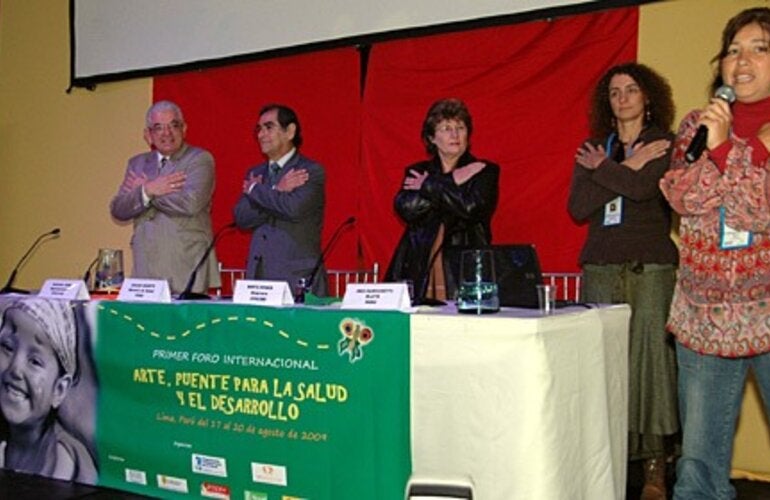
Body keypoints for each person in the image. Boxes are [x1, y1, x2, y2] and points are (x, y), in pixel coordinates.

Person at [659, 8, 770, 499]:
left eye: (759, 48)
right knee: (697, 472)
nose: (742, 61)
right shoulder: (697, 124)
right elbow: (683, 196)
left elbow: (758, 210)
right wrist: (743, 153)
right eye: (733, 49)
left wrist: (727, 155)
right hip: (704, 316)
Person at [568, 63, 678, 499]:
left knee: (651, 363)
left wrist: (610, 171)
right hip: (600, 268)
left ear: (647, 97)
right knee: (601, 366)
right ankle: (606, 458)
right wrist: (626, 165)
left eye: (631, 90)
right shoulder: (596, 147)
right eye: (614, 92)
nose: (623, 98)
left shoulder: (665, 144)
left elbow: (645, 190)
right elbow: (579, 206)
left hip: (649, 268)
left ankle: (655, 466)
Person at [385, 98, 500, 303]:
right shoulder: (417, 171)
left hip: (465, 269)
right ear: (432, 138)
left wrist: (429, 186)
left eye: (460, 127)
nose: (455, 134)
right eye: (446, 128)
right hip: (419, 266)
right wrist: (452, 181)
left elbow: (470, 208)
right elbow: (407, 208)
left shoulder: (484, 171)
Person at [110, 100, 220, 295]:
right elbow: (118, 209)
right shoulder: (137, 163)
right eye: (158, 127)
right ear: (148, 135)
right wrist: (148, 190)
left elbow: (190, 204)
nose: (166, 133)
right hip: (145, 271)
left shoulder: (199, 159)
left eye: (173, 125)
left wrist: (148, 192)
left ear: (184, 129)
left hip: (186, 267)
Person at [233, 104, 328, 296]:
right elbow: (241, 218)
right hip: (259, 276)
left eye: (269, 127)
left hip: (297, 278)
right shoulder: (256, 174)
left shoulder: (309, 171)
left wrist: (257, 192)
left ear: (290, 131)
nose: (261, 135)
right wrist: (276, 189)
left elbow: (292, 209)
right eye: (259, 129)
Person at [0, 298, 97, 482]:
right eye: (7, 347)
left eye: (35, 361)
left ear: (59, 390)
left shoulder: (63, 460)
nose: (15, 368)